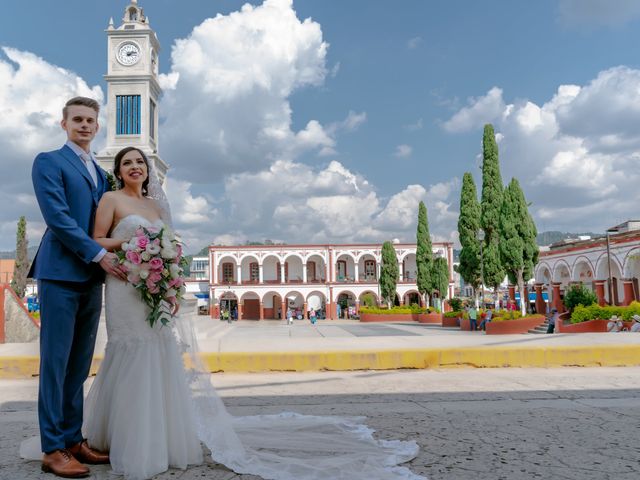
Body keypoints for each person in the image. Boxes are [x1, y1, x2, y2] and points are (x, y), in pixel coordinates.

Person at [24, 147, 425, 480]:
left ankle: (148, 436)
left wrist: (164, 276)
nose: (135, 167)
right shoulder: (109, 198)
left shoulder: (155, 204)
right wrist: (134, 247)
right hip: (122, 281)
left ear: (148, 172)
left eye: (140, 163)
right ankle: (99, 439)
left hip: (152, 284)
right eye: (128, 163)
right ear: (119, 170)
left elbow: (170, 247)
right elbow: (97, 239)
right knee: (124, 352)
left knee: (154, 351)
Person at [28, 97, 121, 478]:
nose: (84, 125)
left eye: (90, 121)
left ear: (97, 127)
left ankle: (72, 439)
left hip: (90, 278)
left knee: (79, 366)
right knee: (55, 364)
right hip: (60, 273)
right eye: (77, 119)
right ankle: (52, 449)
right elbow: (59, 218)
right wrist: (99, 254)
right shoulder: (48, 161)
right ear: (64, 124)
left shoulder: (101, 174)